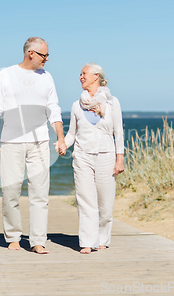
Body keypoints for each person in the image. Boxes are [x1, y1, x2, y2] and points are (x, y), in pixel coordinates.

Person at [0, 37, 66, 254]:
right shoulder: (5, 75)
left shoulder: (47, 77)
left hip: (40, 141)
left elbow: (54, 109)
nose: (47, 59)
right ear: (31, 53)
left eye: (48, 55)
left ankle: (38, 240)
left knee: (40, 193)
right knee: (11, 191)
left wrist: (60, 137)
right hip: (11, 142)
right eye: (44, 55)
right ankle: (13, 237)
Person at [61, 63, 124, 254]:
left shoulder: (112, 102)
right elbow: (72, 133)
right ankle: (87, 241)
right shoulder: (76, 105)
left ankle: (102, 237)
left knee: (105, 203)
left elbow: (118, 132)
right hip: (82, 157)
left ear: (96, 76)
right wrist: (64, 143)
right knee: (85, 200)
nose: (80, 77)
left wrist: (119, 159)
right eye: (80, 74)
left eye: (84, 73)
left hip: (106, 155)